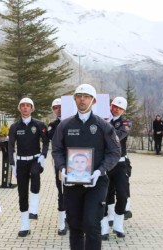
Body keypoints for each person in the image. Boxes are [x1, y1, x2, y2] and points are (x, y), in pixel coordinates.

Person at [52, 84, 121, 250]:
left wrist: (100, 170)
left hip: (96, 183)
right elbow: (57, 150)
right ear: (74, 99)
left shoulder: (103, 126)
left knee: (91, 224)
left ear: (94, 100)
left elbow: (115, 152)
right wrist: (62, 168)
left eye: (86, 96)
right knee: (74, 225)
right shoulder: (65, 125)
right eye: (79, 96)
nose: (82, 99)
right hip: (71, 183)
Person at [8, 97, 49, 237]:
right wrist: (12, 164)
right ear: (19, 108)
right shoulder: (14, 127)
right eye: (23, 106)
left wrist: (43, 155)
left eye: (28, 106)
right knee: (22, 193)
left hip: (35, 160)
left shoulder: (39, 124)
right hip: (21, 162)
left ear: (32, 108)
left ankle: (34, 209)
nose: (25, 108)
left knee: (35, 175)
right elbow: (10, 146)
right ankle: (25, 225)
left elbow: (45, 141)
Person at [101, 97, 131, 240]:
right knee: (104, 196)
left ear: (123, 110)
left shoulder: (125, 122)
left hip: (120, 164)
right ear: (110, 106)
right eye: (114, 106)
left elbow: (119, 135)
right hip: (106, 163)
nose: (116, 109)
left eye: (119, 108)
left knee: (122, 195)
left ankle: (118, 225)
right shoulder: (103, 119)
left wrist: (105, 128)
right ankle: (104, 226)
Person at [47, 98, 67, 236]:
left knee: (74, 192)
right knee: (61, 191)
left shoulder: (74, 121)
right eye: (55, 107)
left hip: (76, 162)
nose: (58, 109)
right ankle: (62, 223)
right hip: (60, 162)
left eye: (60, 106)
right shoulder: (53, 125)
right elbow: (52, 138)